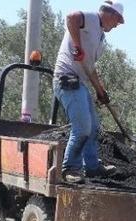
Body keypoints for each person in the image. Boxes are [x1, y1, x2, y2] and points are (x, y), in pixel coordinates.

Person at [53, 1, 125, 184]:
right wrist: (77, 47)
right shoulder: (92, 18)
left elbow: (90, 68)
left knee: (93, 127)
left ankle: (92, 167)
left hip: (81, 82)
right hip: (66, 78)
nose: (117, 25)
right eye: (118, 20)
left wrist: (101, 91)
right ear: (110, 14)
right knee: (82, 127)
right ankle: (71, 168)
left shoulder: (100, 37)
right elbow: (71, 18)